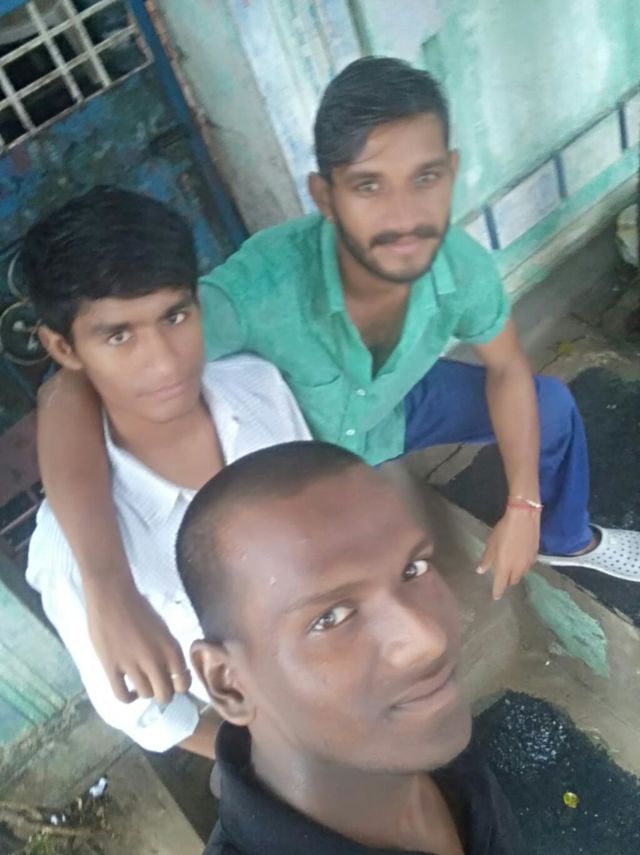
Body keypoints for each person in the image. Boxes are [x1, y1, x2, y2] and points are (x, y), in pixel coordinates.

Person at [35, 56, 640, 708]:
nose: (404, 218)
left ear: (452, 172)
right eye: (369, 186)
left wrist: (523, 506)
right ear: (324, 196)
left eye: (425, 179)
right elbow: (70, 388)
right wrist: (108, 587)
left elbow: (508, 369)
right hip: (306, 461)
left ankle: (567, 539)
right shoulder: (261, 289)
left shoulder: (460, 268)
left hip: (395, 406)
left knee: (549, 406)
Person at [24, 187, 310, 755]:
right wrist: (278, 761)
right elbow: (154, 718)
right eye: (119, 336)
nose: (163, 361)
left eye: (175, 316)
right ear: (64, 348)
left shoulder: (259, 390)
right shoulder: (68, 555)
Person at [176, 441, 524, 855]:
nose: (427, 641)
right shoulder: (397, 724)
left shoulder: (422, 737)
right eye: (331, 617)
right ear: (229, 684)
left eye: (413, 569)